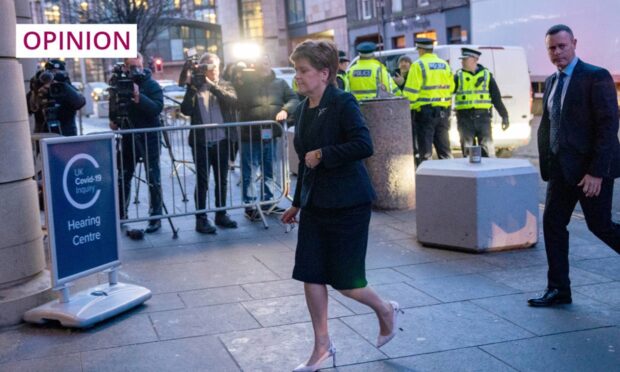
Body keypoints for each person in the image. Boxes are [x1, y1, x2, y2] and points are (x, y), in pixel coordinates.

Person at [283, 39, 402, 371]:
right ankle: (322, 347)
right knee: (310, 273)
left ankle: (385, 309)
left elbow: (364, 144)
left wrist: (325, 154)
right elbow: (305, 162)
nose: (298, 76)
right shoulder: (303, 107)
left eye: (303, 70)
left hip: (348, 203)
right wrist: (296, 203)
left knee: (347, 281)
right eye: (295, 70)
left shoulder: (343, 102)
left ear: (324, 73)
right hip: (316, 204)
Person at [529, 24, 620, 307]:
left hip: (589, 171)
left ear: (574, 43)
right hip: (560, 169)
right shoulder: (553, 81)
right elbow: (551, 122)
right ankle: (558, 289)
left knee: (600, 226)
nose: (557, 53)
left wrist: (596, 172)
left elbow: (608, 128)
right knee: (553, 224)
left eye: (562, 46)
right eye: (552, 48)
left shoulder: (596, 76)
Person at [180, 52, 238, 234]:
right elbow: (186, 110)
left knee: (222, 179)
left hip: (222, 140)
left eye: (213, 67)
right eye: (206, 67)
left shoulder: (225, 84)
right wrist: (191, 88)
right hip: (201, 141)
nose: (211, 71)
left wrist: (212, 86)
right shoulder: (195, 87)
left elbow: (233, 101)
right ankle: (201, 218)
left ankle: (221, 214)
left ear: (219, 67)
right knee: (202, 180)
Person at [236, 54, 299, 221]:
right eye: (260, 63)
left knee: (269, 170)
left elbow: (294, 98)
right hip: (249, 135)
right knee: (249, 171)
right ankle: (249, 205)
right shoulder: (246, 83)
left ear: (270, 64)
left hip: (271, 133)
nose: (264, 65)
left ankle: (268, 202)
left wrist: (286, 110)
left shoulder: (280, 83)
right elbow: (237, 97)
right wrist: (244, 77)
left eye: (266, 62)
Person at [109, 53, 164, 233]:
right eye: (131, 67)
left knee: (153, 177)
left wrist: (139, 97)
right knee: (123, 175)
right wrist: (114, 119)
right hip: (128, 137)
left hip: (149, 138)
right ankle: (121, 214)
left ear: (143, 65)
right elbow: (114, 110)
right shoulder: (119, 85)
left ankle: (155, 217)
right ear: (125, 67)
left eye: (137, 66)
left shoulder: (152, 84)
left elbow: (156, 108)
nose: (135, 70)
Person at [402, 38, 454, 165]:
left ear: (421, 50)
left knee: (425, 153)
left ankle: (426, 182)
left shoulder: (418, 65)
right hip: (443, 113)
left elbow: (410, 94)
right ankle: (451, 180)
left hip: (425, 114)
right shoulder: (444, 65)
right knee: (445, 152)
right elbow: (451, 87)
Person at [454, 47, 510, 157]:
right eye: (462, 59)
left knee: (487, 152)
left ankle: (487, 173)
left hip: (483, 119)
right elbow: (447, 92)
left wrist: (505, 116)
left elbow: (496, 98)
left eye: (465, 59)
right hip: (464, 119)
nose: (462, 61)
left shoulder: (486, 76)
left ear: (475, 60)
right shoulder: (458, 76)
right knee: (468, 153)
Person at [28, 59, 85, 136]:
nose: (53, 78)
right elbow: (28, 108)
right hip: (43, 136)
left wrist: (63, 86)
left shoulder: (67, 89)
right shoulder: (39, 90)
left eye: (57, 73)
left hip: (66, 135)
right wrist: (37, 93)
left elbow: (80, 103)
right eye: (50, 73)